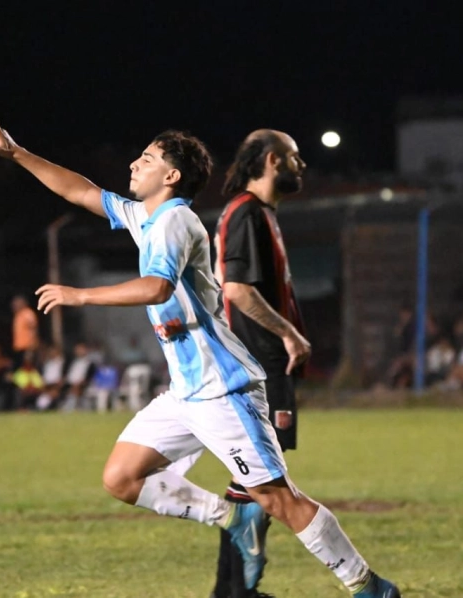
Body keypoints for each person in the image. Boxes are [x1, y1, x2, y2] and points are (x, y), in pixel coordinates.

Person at [0, 109, 399, 597]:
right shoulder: (148, 216)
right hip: (188, 392)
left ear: (172, 176)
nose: (135, 164)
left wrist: (81, 295)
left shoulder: (176, 222)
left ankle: (368, 586)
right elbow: (79, 191)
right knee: (122, 476)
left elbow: (158, 288)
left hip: (224, 389)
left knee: (279, 500)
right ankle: (230, 518)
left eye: (147, 158)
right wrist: (18, 153)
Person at [210, 129, 312, 597]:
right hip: (257, 364)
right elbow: (236, 289)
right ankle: (235, 592)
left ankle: (231, 591)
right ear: (272, 160)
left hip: (262, 363)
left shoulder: (258, 213)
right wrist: (289, 334)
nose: (301, 165)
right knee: (259, 479)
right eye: (294, 157)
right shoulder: (247, 212)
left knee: (252, 477)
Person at [11, 295, 39, 370]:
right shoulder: (18, 315)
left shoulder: (28, 314)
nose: (14, 305)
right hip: (19, 348)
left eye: (17, 303)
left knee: (26, 370)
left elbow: (33, 330)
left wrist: (31, 349)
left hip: (26, 348)